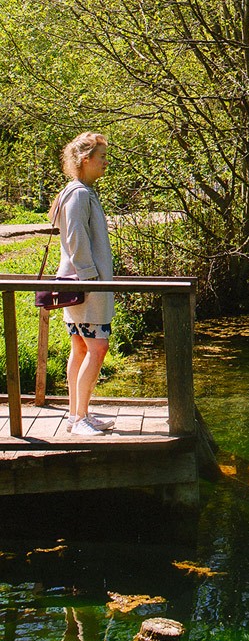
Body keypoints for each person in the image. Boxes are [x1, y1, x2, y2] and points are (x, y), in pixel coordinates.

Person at [49, 132, 116, 436]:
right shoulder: (78, 194)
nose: (105, 163)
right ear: (85, 159)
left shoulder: (79, 191)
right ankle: (80, 420)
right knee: (97, 348)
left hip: (80, 285)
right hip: (86, 286)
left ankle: (78, 415)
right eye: (101, 157)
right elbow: (76, 238)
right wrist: (91, 280)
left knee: (79, 348)